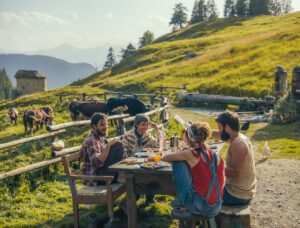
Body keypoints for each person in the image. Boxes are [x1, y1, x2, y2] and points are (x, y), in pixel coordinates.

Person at [162, 123, 225, 216]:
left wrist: (182, 154)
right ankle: (181, 199)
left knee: (178, 163)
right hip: (216, 206)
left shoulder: (190, 154)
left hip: (202, 207)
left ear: (190, 138)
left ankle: (181, 199)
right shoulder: (215, 154)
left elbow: (165, 158)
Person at [213, 110, 256, 205]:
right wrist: (204, 131)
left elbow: (236, 173)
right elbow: (220, 135)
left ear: (227, 127)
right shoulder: (239, 137)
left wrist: (212, 167)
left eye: (220, 128)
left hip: (237, 196)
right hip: (242, 192)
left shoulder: (238, 145)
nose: (219, 130)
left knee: (200, 193)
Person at [122, 114, 161, 204]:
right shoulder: (128, 136)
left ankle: (149, 198)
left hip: (145, 164)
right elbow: (124, 153)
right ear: (136, 125)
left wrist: (157, 129)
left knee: (153, 172)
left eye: (147, 125)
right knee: (138, 178)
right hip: (131, 164)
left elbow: (157, 146)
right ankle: (132, 200)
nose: (146, 127)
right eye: (143, 124)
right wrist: (133, 160)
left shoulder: (147, 135)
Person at [81, 113, 125, 186]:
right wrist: (108, 146)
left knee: (118, 144)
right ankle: (120, 176)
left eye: (106, 124)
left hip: (103, 174)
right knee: (118, 146)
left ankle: (121, 175)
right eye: (102, 125)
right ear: (94, 126)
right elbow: (98, 163)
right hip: (97, 178)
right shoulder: (91, 140)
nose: (105, 127)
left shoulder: (100, 137)